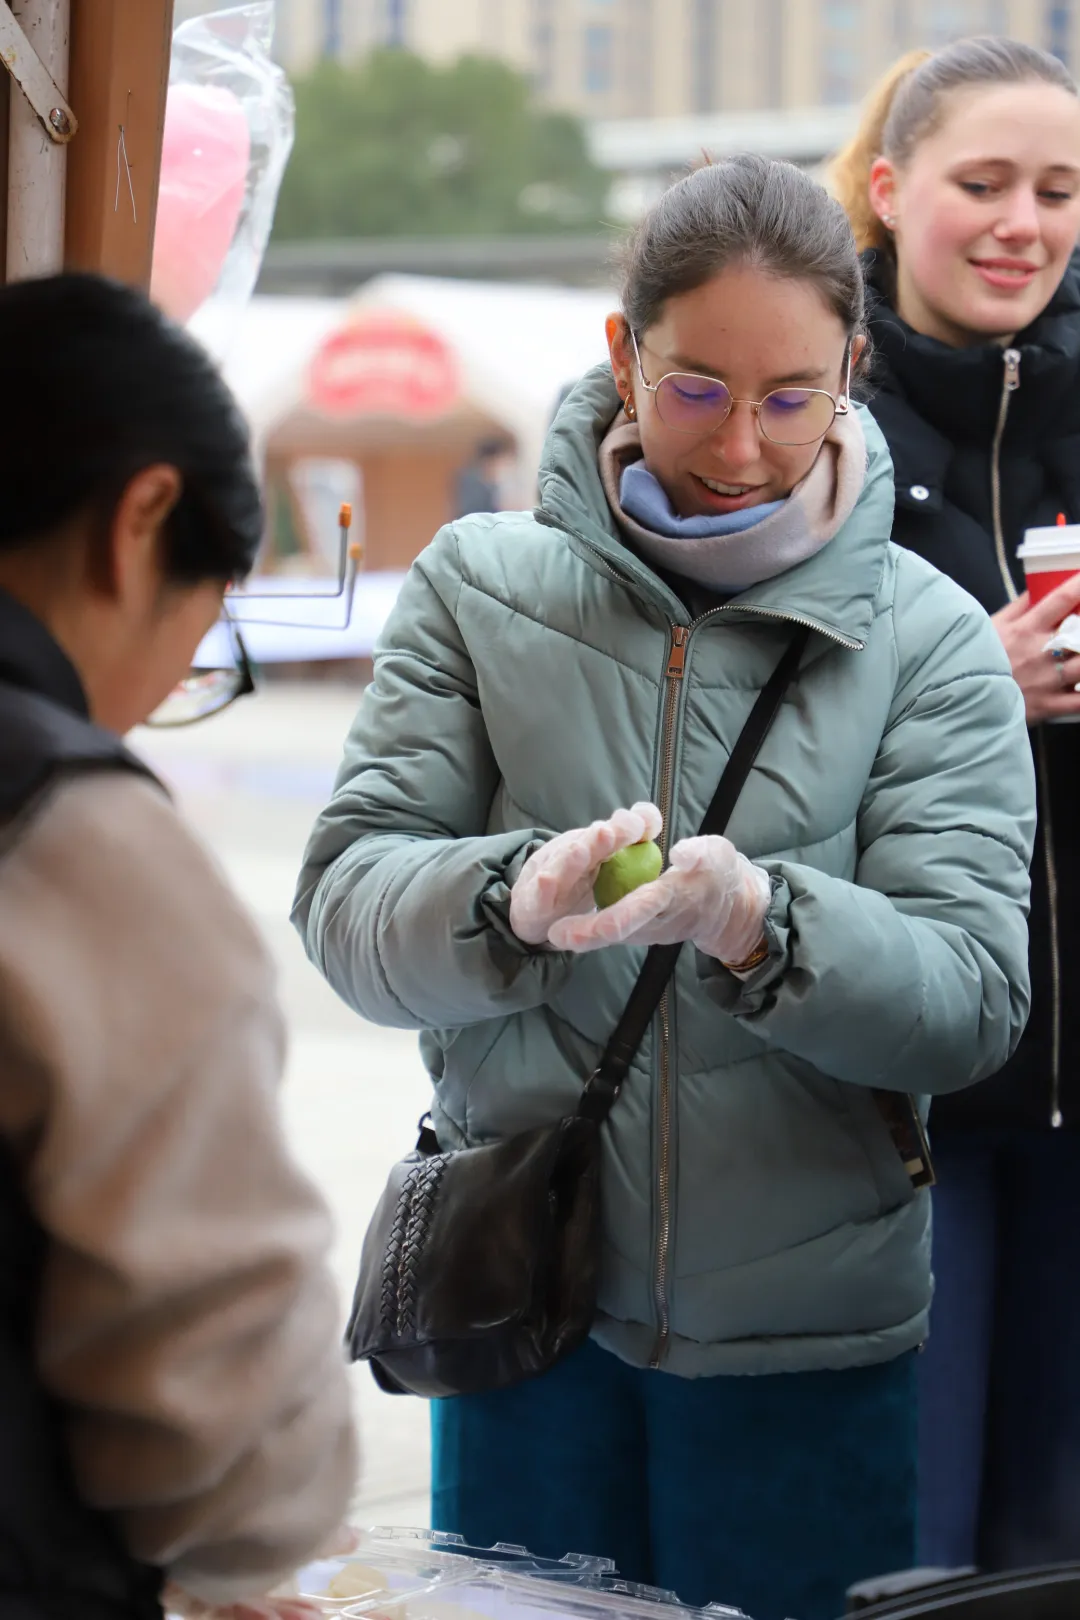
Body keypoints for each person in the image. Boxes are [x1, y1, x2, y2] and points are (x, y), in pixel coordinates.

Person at [293, 156, 1034, 1620]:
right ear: (624, 353)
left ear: (854, 372)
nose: (742, 446)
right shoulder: (481, 584)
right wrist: (506, 900)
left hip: (810, 1344)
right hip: (525, 1305)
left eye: (791, 397)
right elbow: (346, 905)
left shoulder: (931, 638)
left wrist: (764, 925)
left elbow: (970, 1004)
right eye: (697, 388)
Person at [0, 273, 357, 1620]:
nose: (156, 698)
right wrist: (239, 1551)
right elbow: (224, 1405)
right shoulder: (69, 832)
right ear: (140, 519)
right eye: (199, 635)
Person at [830, 36, 1080, 1575]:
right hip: (898, 1099)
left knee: (1058, 1551)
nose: (1022, 226)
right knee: (906, 1554)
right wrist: (964, 681)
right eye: (982, 183)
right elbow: (720, 723)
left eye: (1058, 190)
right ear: (887, 187)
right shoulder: (809, 418)